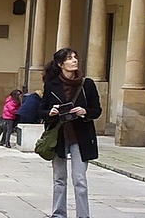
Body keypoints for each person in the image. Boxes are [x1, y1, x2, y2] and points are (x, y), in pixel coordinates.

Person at [39, 48, 101, 218]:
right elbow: (41, 110)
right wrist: (50, 112)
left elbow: (97, 110)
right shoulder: (51, 85)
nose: (74, 61)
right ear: (61, 64)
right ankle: (58, 214)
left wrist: (84, 112)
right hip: (58, 136)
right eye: (69, 58)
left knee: (79, 179)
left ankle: (83, 215)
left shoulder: (87, 84)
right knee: (59, 179)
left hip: (81, 137)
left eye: (75, 57)